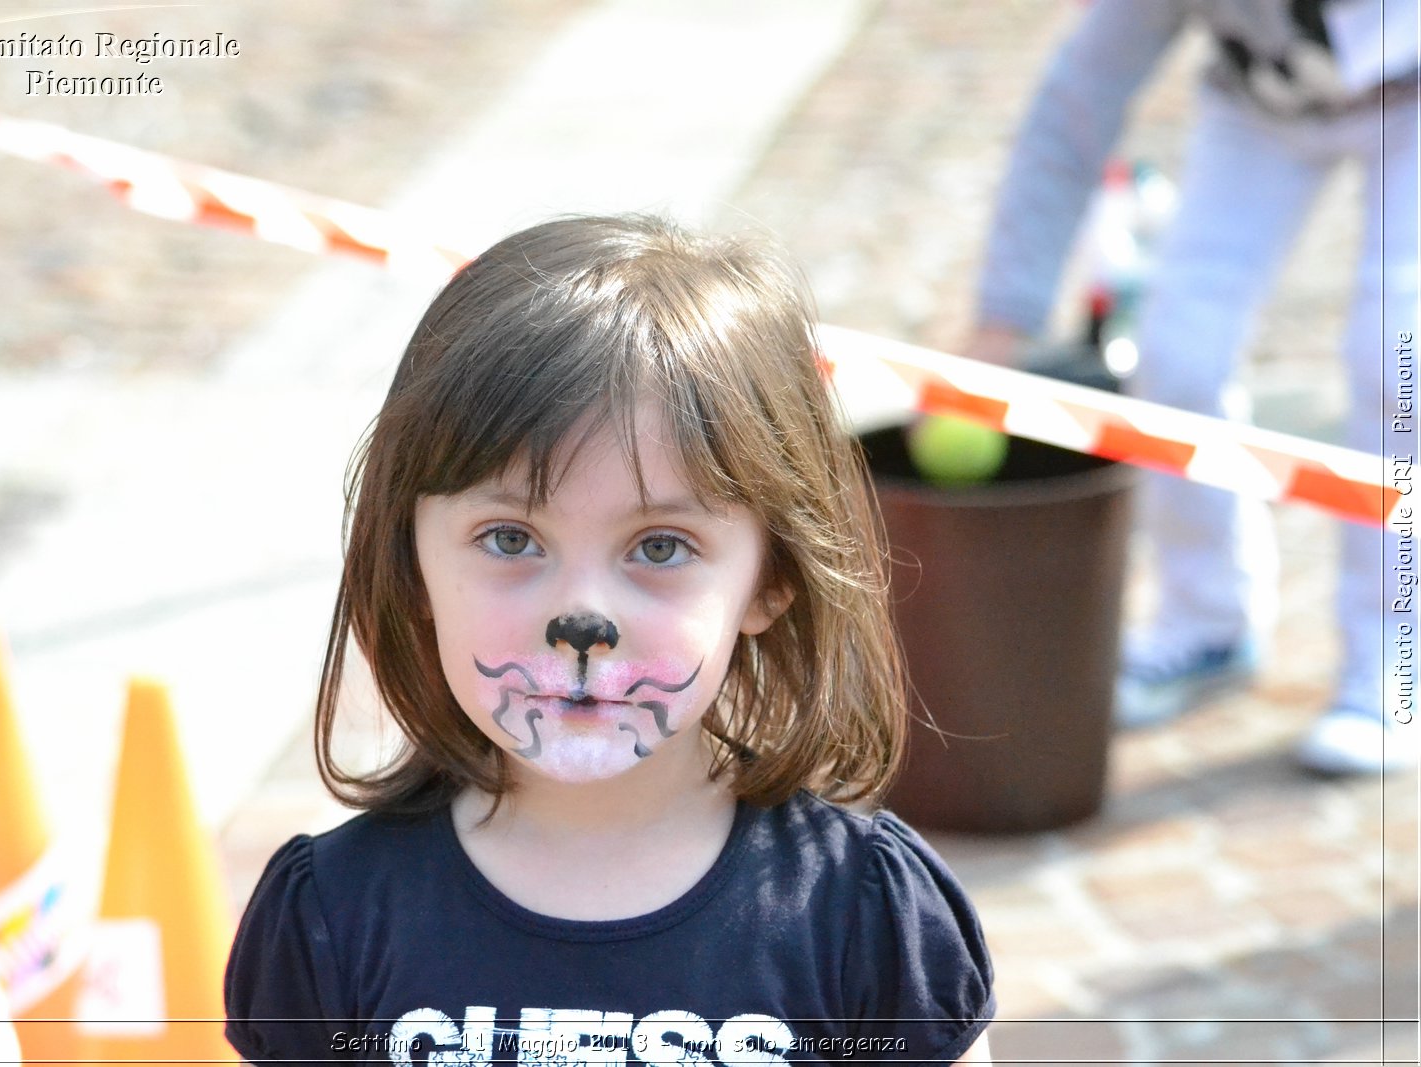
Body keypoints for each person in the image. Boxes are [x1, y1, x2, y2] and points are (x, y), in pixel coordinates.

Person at [224, 215, 995, 1065]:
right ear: (411, 565)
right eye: (511, 539)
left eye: (660, 546)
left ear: (771, 578)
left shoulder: (866, 916)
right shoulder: (332, 917)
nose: (581, 616)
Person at [967, 0, 1419, 775]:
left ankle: (1394, 660)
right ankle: (1206, 621)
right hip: (1260, 108)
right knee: (1178, 352)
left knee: (1396, 352)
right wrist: (1001, 325)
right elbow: (1077, 100)